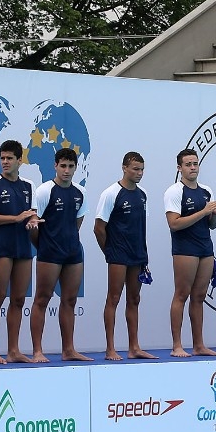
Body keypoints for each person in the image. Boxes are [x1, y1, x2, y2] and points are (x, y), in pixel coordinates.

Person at [0, 139, 38, 364]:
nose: (5, 162)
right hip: (2, 248)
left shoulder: (28, 186)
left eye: (9, 158)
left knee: (19, 299)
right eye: (2, 158)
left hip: (23, 248)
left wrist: (32, 220)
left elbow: (30, 213)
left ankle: (13, 350)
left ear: (19, 161)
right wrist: (14, 218)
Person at [29, 148, 90, 362]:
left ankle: (69, 350)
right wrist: (45, 247)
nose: (66, 170)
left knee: (70, 300)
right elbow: (33, 227)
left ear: (76, 168)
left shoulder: (80, 193)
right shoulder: (45, 191)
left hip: (73, 253)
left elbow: (76, 225)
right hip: (49, 253)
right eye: (63, 166)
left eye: (71, 166)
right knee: (42, 299)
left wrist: (67, 244)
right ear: (55, 166)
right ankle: (37, 351)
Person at [166, 148, 216, 357]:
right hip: (185, 249)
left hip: (205, 247)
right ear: (179, 168)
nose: (193, 168)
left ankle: (199, 345)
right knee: (182, 294)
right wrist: (204, 211)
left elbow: (213, 225)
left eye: (195, 164)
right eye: (188, 164)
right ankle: (177, 345)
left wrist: (215, 214)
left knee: (199, 296)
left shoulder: (206, 191)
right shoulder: (174, 191)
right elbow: (174, 224)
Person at [94, 152, 154, 361]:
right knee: (114, 298)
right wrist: (110, 252)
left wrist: (144, 255)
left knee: (134, 299)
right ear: (124, 168)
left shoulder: (142, 194)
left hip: (138, 255)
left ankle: (134, 347)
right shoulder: (111, 193)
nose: (139, 173)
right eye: (135, 169)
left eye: (142, 169)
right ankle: (110, 348)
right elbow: (99, 228)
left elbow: (140, 227)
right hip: (118, 255)